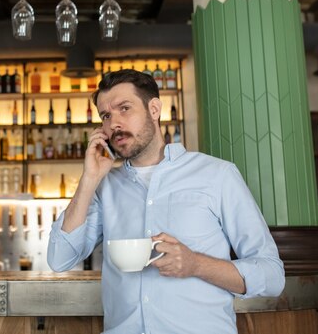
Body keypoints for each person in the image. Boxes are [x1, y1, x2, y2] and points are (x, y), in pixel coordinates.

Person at [47, 69, 285, 334]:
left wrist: (196, 264)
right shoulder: (105, 186)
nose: (113, 123)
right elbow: (60, 259)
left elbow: (272, 275)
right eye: (106, 115)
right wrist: (89, 179)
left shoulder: (217, 175)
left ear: (154, 108)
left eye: (124, 108)